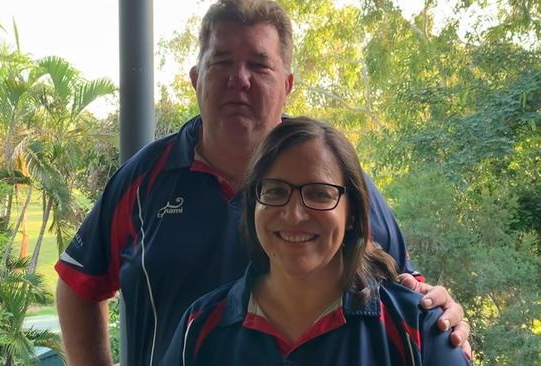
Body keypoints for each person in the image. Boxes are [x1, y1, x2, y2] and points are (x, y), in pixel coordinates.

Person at [55, 1, 470, 365]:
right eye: (222, 63)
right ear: (196, 78)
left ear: (286, 85)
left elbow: (400, 283)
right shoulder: (145, 178)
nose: (240, 78)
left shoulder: (335, 179)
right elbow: (79, 283)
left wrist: (439, 316)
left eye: (259, 64)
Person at [160, 117, 470, 366]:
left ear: (352, 214)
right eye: (275, 191)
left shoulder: (417, 328)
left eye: (319, 193)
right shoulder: (200, 327)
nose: (294, 215)